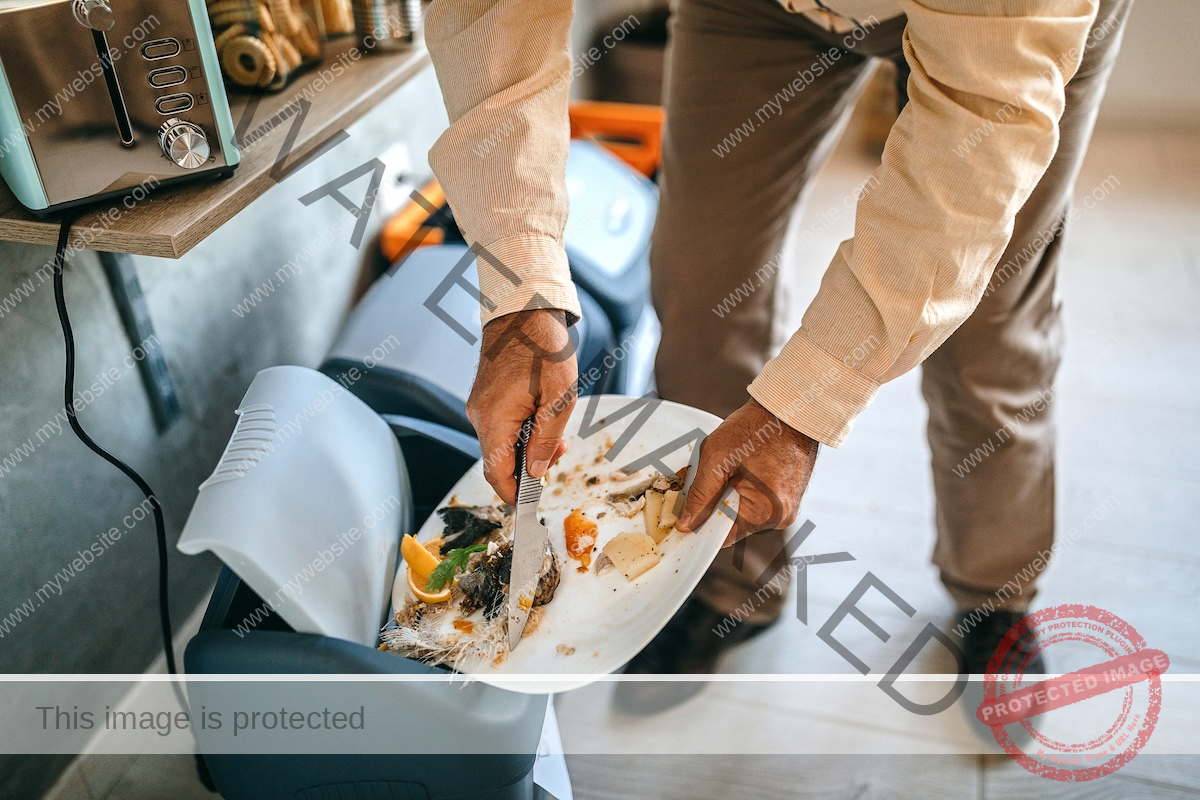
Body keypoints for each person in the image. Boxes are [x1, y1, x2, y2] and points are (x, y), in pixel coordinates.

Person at [421, 0, 1131, 694]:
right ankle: (731, 582)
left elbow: (974, 155)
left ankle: (995, 595)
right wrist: (522, 297)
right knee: (704, 284)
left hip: (1001, 33)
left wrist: (802, 406)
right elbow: (491, 17)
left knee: (990, 323)